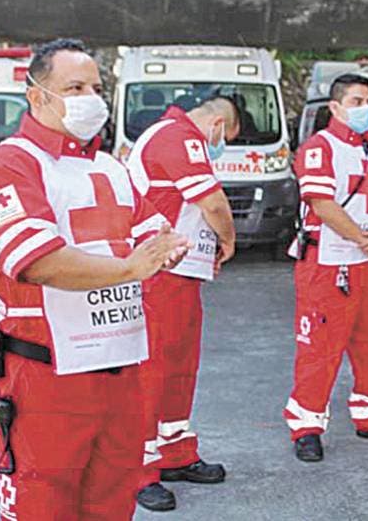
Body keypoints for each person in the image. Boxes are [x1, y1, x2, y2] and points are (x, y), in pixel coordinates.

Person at [0, 38, 190, 521]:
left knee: (114, 502)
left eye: (97, 88)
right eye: (75, 87)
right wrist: (131, 267)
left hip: (121, 369)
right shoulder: (10, 164)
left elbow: (156, 235)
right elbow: (39, 261)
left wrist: (164, 251)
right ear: (37, 95)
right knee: (42, 503)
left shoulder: (110, 167)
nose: (91, 99)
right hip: (44, 377)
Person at [283, 73, 368, 462]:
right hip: (328, 262)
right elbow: (321, 203)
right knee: (319, 348)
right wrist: (362, 238)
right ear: (335, 107)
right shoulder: (318, 148)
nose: (365, 109)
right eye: (357, 102)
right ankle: (306, 427)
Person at [126, 95, 241, 512]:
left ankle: (174, 451)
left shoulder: (174, 136)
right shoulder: (181, 137)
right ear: (216, 124)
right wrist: (229, 239)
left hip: (179, 272)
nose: (221, 145)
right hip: (160, 271)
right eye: (226, 137)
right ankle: (139, 470)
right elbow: (212, 202)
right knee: (153, 370)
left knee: (178, 368)